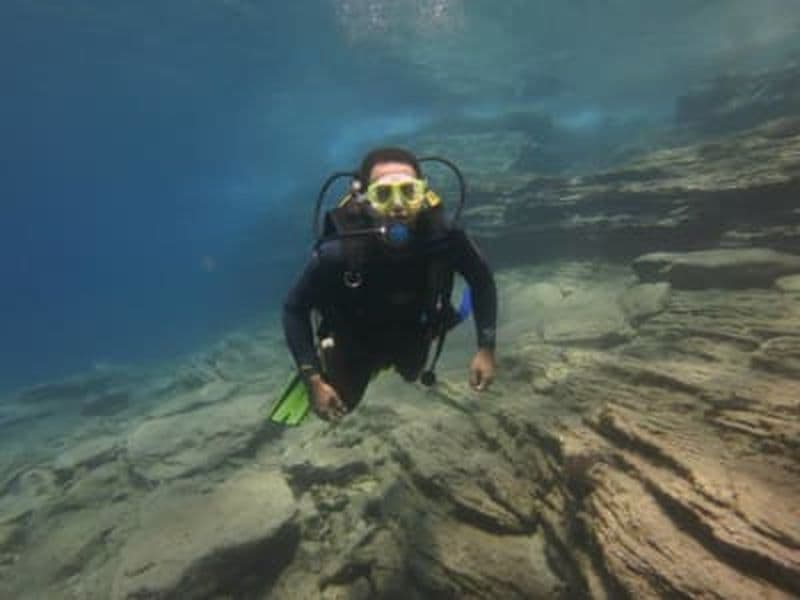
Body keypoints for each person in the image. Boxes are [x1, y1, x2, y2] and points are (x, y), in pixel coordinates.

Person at [282, 147, 497, 421]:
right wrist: (311, 378)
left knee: (412, 373)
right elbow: (294, 308)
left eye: (408, 191)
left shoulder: (445, 236)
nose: (398, 206)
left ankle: (397, 354)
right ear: (364, 199)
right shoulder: (338, 251)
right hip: (355, 338)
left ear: (423, 193)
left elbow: (482, 281)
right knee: (341, 407)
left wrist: (486, 348)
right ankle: (328, 351)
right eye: (384, 194)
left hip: (415, 330)